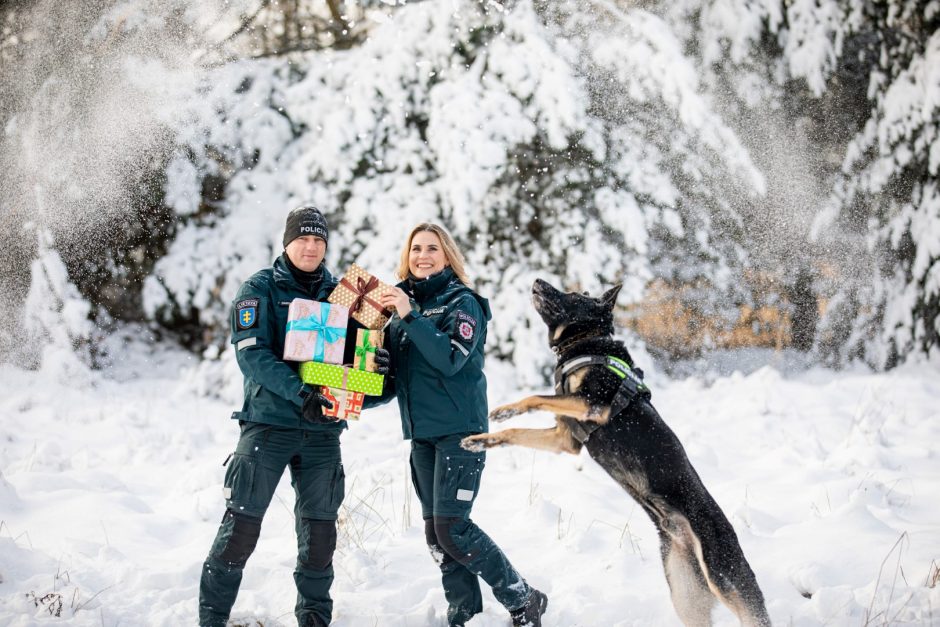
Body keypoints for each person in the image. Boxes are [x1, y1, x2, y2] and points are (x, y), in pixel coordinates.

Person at [198, 205, 388, 627]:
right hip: (268, 425)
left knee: (320, 538)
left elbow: (357, 375)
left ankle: (315, 619)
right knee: (240, 531)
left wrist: (376, 368)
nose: (311, 247)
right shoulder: (260, 288)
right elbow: (252, 355)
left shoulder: (346, 295)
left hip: (322, 432)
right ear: (287, 243)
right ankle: (211, 620)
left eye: (319, 240)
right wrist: (299, 391)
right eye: (302, 238)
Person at [368, 223, 548, 627]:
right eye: (416, 248)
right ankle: (464, 614)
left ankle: (524, 599)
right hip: (422, 437)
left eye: (432, 248)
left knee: (454, 528)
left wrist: (409, 316)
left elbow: (450, 358)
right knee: (437, 534)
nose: (423, 255)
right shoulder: (400, 313)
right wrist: (353, 393)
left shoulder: (462, 303)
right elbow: (395, 384)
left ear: (447, 255)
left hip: (460, 433)